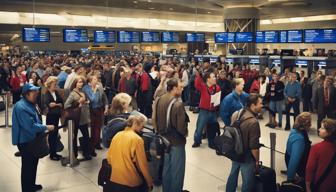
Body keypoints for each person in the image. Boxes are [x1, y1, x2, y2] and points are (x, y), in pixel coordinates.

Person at [12, 83, 54, 192]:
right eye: (34, 92)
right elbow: (30, 126)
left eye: (37, 91)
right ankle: (26, 188)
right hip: (25, 141)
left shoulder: (31, 104)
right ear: (26, 94)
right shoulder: (21, 107)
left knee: (33, 163)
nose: (37, 93)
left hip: (33, 140)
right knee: (27, 167)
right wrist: (46, 127)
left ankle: (31, 185)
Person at [152, 78, 189, 192]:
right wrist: (185, 134)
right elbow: (181, 128)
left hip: (163, 139)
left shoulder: (159, 99)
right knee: (177, 171)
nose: (182, 89)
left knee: (166, 168)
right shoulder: (178, 104)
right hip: (176, 141)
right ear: (173, 88)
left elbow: (154, 119)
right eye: (180, 87)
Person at [106, 115, 153, 192]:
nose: (143, 128)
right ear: (135, 124)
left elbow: (109, 158)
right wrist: (149, 182)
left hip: (114, 178)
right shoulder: (137, 139)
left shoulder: (117, 135)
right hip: (130, 181)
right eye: (142, 125)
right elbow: (142, 165)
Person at [226, 93, 263, 192]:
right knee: (247, 181)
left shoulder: (238, 113)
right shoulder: (254, 122)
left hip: (235, 151)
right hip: (246, 156)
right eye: (260, 103)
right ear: (253, 105)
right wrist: (256, 162)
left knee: (233, 175)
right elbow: (254, 146)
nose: (262, 105)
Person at [64, 76, 91, 160]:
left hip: (83, 117)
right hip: (75, 119)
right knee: (74, 137)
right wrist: (78, 102)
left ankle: (86, 153)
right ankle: (74, 154)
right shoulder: (73, 93)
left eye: (81, 82)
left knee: (86, 136)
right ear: (75, 83)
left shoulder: (83, 92)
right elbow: (66, 105)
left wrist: (86, 102)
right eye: (79, 82)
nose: (81, 83)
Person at [192, 69, 221, 148]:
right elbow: (196, 84)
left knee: (212, 128)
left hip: (213, 111)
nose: (215, 78)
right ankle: (197, 141)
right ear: (208, 79)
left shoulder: (217, 88)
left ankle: (211, 142)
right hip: (204, 111)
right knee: (199, 127)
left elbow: (218, 99)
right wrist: (199, 75)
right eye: (213, 77)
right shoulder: (203, 86)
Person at [305, 118, 336, 192]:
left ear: (329, 132)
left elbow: (310, 168)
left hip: (321, 186)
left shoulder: (316, 148)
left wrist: (307, 186)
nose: (319, 129)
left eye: (322, 128)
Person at [83, 75, 109, 156]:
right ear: (89, 82)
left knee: (98, 128)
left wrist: (106, 108)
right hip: (91, 111)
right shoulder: (86, 88)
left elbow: (104, 98)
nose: (96, 80)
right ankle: (92, 147)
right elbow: (93, 100)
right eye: (94, 79)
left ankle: (97, 143)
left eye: (96, 79)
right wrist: (94, 90)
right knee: (93, 129)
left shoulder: (99, 87)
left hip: (99, 110)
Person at [285, 112, 312, 184]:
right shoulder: (299, 139)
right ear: (307, 124)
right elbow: (294, 160)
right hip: (298, 173)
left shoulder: (295, 131)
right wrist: (290, 178)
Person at [44, 76, 63, 161]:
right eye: (54, 84)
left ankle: (54, 152)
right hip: (51, 116)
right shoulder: (47, 93)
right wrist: (57, 104)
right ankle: (52, 154)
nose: (55, 85)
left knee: (55, 134)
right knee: (51, 135)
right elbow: (49, 104)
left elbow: (61, 102)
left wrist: (56, 104)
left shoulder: (56, 93)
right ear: (49, 84)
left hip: (56, 115)